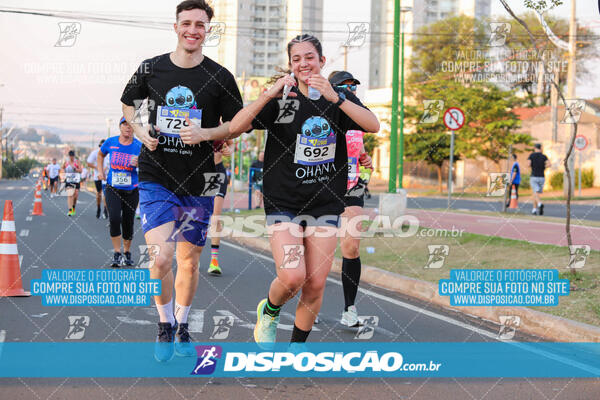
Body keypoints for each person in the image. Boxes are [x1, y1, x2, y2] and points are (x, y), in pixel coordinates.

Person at [228, 34, 379, 347]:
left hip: (324, 202)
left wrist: (337, 99)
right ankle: (269, 311)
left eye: (309, 57)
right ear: (291, 65)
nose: (303, 63)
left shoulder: (338, 97)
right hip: (284, 200)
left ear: (322, 61)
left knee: (315, 285)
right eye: (296, 59)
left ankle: (296, 351)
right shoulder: (283, 98)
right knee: (293, 277)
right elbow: (235, 127)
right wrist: (267, 96)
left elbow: (373, 124)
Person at [120, 0, 243, 362]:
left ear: (208, 30)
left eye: (200, 25)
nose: (193, 30)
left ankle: (183, 326)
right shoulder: (151, 68)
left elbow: (235, 125)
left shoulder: (220, 77)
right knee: (162, 258)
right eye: (186, 23)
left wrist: (208, 134)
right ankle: (164, 325)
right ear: (176, 27)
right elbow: (128, 103)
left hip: (201, 179)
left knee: (189, 261)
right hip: (157, 173)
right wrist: (141, 132)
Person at [328, 70, 373, 327]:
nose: (351, 91)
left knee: (351, 247)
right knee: (314, 251)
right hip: (322, 185)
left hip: (351, 186)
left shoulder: (358, 118)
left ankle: (349, 309)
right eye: (345, 87)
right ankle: (306, 301)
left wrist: (364, 159)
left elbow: (359, 149)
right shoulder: (325, 115)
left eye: (353, 87)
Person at [97, 117, 142, 268]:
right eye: (125, 124)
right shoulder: (111, 142)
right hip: (113, 188)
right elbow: (100, 154)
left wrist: (139, 163)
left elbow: (150, 164)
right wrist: (100, 171)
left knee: (128, 221)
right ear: (120, 127)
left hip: (131, 189)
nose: (128, 128)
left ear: (134, 128)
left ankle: (127, 252)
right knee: (115, 218)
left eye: (130, 125)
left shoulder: (139, 146)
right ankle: (117, 252)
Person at [207, 139, 233, 275]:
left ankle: (214, 261)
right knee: (196, 217)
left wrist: (229, 150)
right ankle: (192, 256)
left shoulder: (224, 126)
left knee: (215, 218)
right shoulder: (196, 120)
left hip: (217, 173)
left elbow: (231, 143)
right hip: (200, 171)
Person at [87, 140, 109, 219]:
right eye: (101, 146)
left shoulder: (109, 153)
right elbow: (89, 163)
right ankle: (99, 208)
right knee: (98, 193)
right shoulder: (95, 153)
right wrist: (98, 168)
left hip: (106, 176)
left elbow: (109, 163)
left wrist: (105, 169)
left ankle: (105, 210)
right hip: (98, 175)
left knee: (105, 193)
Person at [528, 143, 549, 215]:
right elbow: (549, 164)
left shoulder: (531, 155)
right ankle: (534, 210)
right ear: (540, 148)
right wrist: (543, 167)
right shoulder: (544, 156)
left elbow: (528, 164)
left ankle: (540, 204)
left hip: (534, 176)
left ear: (534, 148)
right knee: (536, 193)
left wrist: (532, 166)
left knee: (535, 192)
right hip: (542, 177)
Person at [62, 150, 82, 216]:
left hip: (76, 180)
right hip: (69, 180)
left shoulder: (77, 161)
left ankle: (73, 207)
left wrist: (75, 169)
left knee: (75, 195)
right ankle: (70, 210)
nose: (71, 158)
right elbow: (62, 168)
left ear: (74, 156)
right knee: (70, 195)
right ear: (69, 156)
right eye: (70, 156)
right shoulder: (66, 162)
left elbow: (80, 170)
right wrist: (63, 174)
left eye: (72, 156)